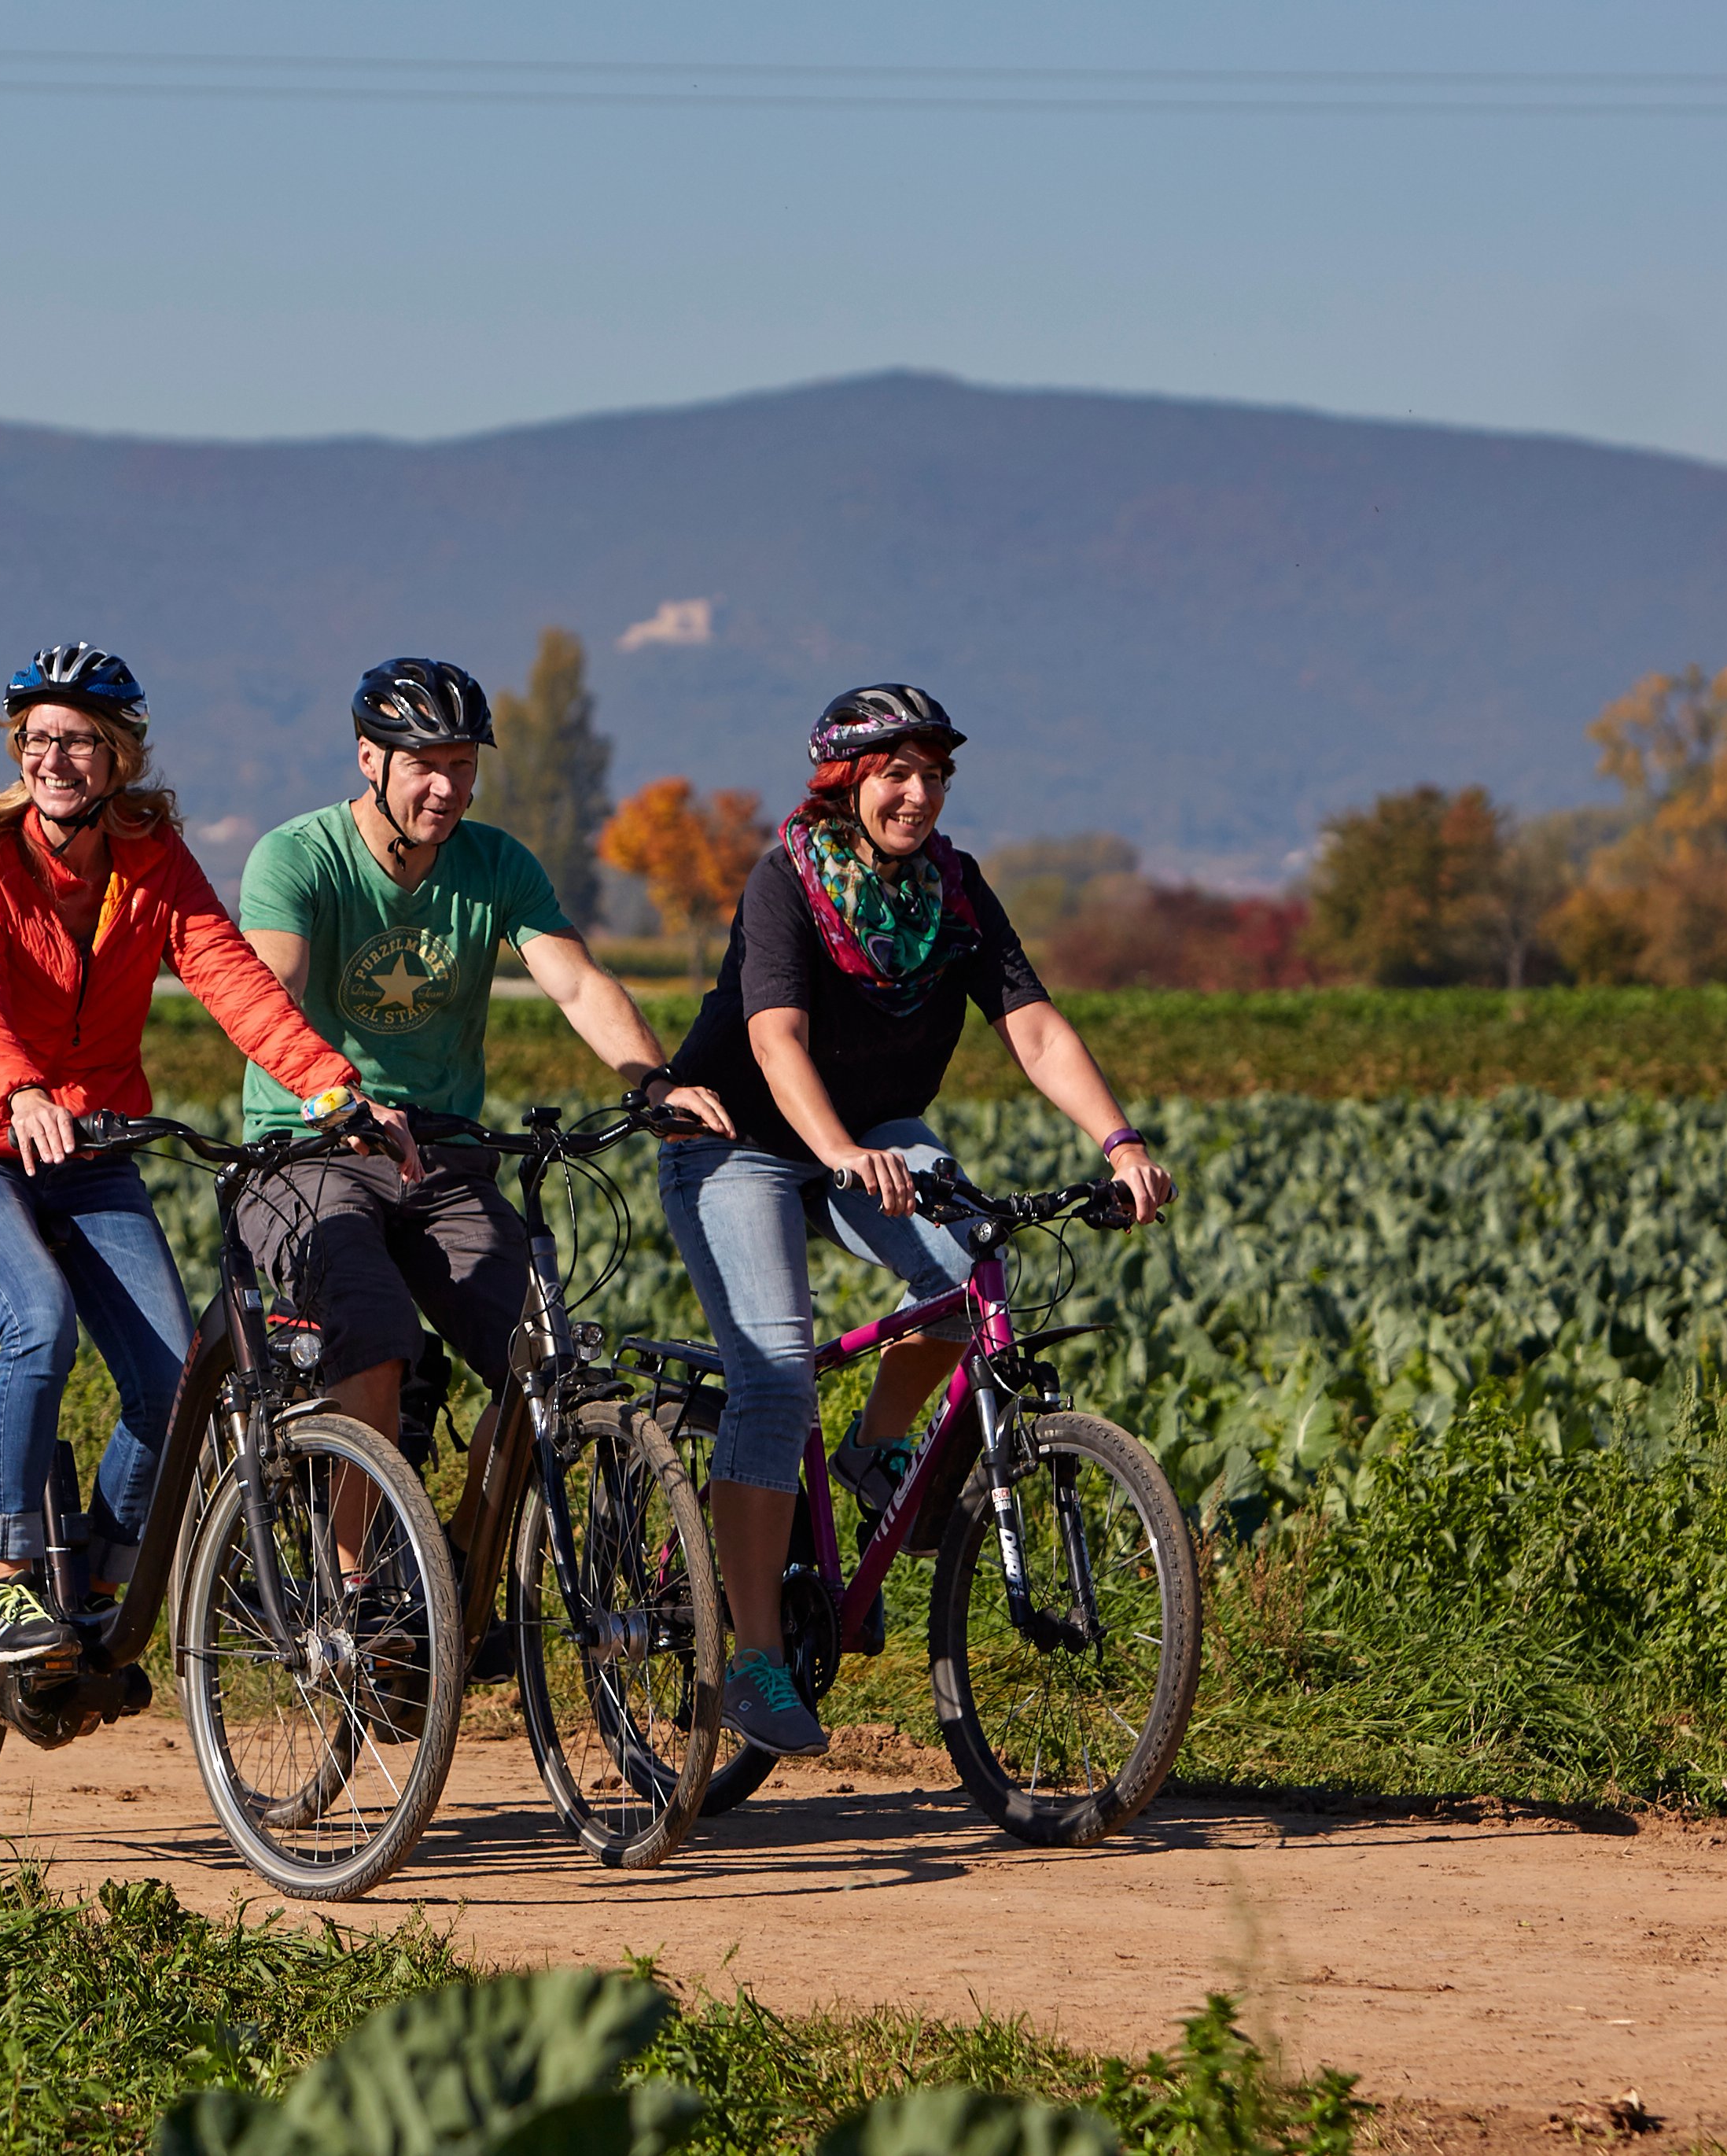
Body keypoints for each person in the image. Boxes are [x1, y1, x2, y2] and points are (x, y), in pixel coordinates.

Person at [653, 684, 1176, 1760]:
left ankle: (871, 1451)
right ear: (845, 783)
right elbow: (776, 1040)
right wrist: (838, 1152)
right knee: (774, 1375)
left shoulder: (955, 890)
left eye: (934, 774)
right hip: (739, 1138)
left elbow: (1033, 1028)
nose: (919, 793)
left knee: (968, 1270)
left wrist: (1119, 1142)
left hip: (874, 1132)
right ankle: (753, 1658)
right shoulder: (786, 881)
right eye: (895, 772)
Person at [0, 642, 393, 1670]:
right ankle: (3, 1584)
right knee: (39, 1321)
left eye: (77, 740)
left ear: (119, 756)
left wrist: (329, 1085)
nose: (53, 759)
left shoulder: (151, 860)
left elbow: (232, 977)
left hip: (90, 1143)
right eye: (37, 739)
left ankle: (97, 1599)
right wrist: (21, 1090)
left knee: (172, 1381)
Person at [234, 658, 735, 1565]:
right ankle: (355, 1595)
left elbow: (575, 982)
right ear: (368, 759)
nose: (445, 786)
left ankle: (461, 1565)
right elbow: (272, 989)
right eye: (424, 765)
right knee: (373, 1348)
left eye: (462, 765)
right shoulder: (297, 855)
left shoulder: (495, 862)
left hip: (440, 1158)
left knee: (540, 1361)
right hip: (306, 1151)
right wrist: (337, 1094)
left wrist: (656, 1083)